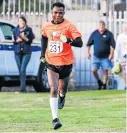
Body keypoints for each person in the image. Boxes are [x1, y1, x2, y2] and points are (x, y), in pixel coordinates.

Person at [40, 2, 83, 130]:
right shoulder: (46, 26)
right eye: (55, 12)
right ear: (51, 13)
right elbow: (43, 38)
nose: (57, 15)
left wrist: (69, 41)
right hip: (51, 62)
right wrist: (42, 54)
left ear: (64, 13)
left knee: (62, 89)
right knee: (53, 87)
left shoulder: (69, 26)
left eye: (60, 13)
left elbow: (80, 43)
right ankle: (55, 119)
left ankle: (62, 96)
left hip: (66, 63)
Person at [87, 20, 115, 90]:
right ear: (98, 26)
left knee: (105, 70)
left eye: (103, 25)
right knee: (93, 70)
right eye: (100, 25)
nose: (101, 26)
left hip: (105, 57)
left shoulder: (109, 34)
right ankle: (99, 82)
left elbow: (113, 45)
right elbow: (89, 44)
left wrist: (111, 54)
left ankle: (104, 85)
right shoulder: (94, 33)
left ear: (104, 26)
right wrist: (88, 52)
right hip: (96, 56)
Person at [13, 16, 35, 92]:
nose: (21, 22)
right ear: (18, 22)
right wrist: (17, 41)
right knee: (20, 71)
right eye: (20, 21)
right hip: (17, 52)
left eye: (22, 21)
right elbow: (14, 41)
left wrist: (24, 38)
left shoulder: (29, 30)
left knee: (22, 70)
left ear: (25, 22)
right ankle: (22, 87)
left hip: (27, 52)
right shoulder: (15, 30)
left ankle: (22, 89)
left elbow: (30, 41)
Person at [114, 23, 127, 88]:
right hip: (122, 57)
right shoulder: (120, 36)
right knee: (123, 72)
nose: (125, 29)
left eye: (126, 27)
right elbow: (117, 48)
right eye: (124, 27)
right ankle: (125, 84)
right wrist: (116, 59)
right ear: (122, 28)